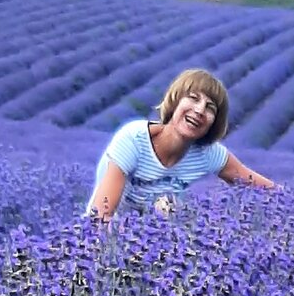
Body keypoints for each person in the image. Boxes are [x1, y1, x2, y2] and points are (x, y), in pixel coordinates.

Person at [86, 67, 277, 222]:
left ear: (214, 122)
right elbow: (101, 216)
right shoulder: (134, 139)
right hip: (105, 238)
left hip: (158, 243)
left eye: (210, 108)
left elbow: (268, 190)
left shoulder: (208, 154)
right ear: (175, 101)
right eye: (193, 98)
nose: (199, 110)